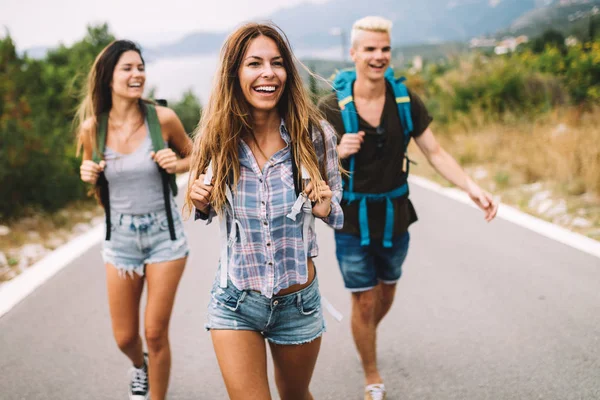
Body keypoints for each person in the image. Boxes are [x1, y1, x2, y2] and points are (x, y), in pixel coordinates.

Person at [318, 16, 499, 400]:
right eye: (369, 49)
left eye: (384, 49)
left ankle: (363, 329)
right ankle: (371, 373)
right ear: (353, 53)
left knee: (386, 294)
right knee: (364, 300)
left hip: (396, 215)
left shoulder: (404, 101)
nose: (378, 56)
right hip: (351, 219)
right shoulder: (330, 106)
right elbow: (307, 165)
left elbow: (435, 151)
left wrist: (471, 187)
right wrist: (337, 152)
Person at [185, 22, 343, 400]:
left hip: (297, 303)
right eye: (254, 63)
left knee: (295, 394)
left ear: (288, 72)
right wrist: (200, 200)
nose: (268, 72)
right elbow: (204, 208)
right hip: (235, 301)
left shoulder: (315, 135)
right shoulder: (218, 137)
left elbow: (338, 208)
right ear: (235, 73)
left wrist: (325, 206)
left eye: (276, 63)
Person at [77, 40, 193, 400]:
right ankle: (139, 366)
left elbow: (197, 156)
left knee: (155, 333)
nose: (137, 74)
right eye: (127, 68)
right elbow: (96, 182)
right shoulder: (92, 129)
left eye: (140, 67)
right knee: (125, 336)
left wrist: (179, 164)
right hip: (121, 239)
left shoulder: (163, 119)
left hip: (165, 236)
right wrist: (87, 173)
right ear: (108, 77)